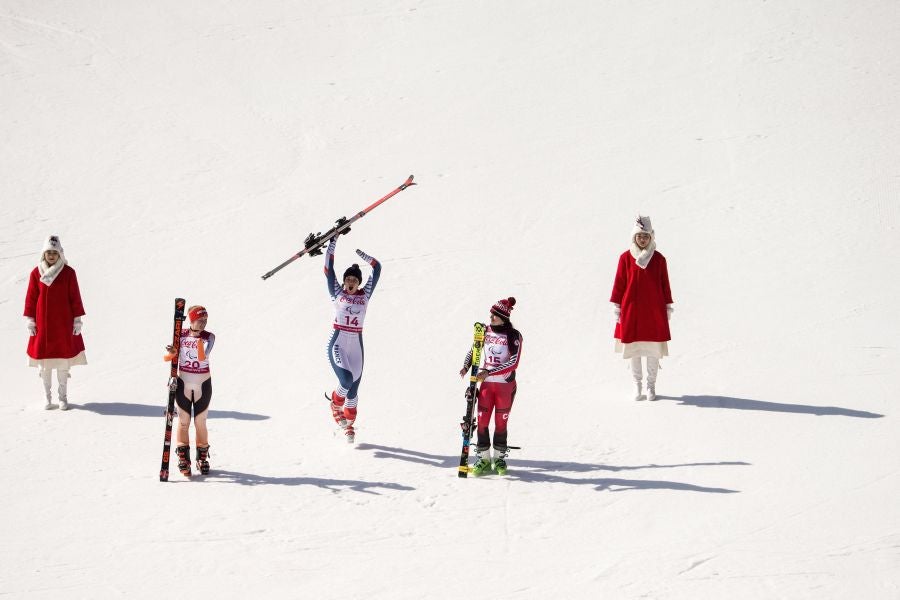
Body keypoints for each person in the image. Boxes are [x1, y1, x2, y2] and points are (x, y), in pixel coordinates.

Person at [324, 235, 381, 443]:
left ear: (358, 283)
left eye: (355, 280)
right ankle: (334, 405)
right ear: (344, 281)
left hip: (357, 344)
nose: (351, 282)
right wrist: (333, 241)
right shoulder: (336, 291)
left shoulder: (364, 295)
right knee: (346, 381)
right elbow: (328, 269)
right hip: (338, 341)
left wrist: (365, 257)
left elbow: (378, 268)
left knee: (354, 392)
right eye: (348, 279)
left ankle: (348, 426)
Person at [610, 215, 674, 401]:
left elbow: (665, 285)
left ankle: (651, 386)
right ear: (634, 237)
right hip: (631, 311)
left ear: (651, 237)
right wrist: (617, 307)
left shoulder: (659, 259)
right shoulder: (625, 258)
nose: (643, 239)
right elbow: (619, 284)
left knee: (653, 350)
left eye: (646, 236)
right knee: (634, 350)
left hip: (654, 311)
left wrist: (667, 306)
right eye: (640, 236)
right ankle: (637, 385)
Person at [458, 297, 523, 476]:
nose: (491, 317)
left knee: (501, 424)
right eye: (491, 314)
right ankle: (484, 460)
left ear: (503, 317)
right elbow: (474, 349)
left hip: (504, 386)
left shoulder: (513, 335)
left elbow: (514, 362)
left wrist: (490, 372)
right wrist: (466, 365)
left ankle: (499, 459)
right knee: (483, 423)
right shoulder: (484, 331)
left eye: (495, 315)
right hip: (486, 386)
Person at [23, 235, 87, 411]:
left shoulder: (68, 273)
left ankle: (62, 397)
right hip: (42, 327)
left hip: (63, 324)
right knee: (45, 365)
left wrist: (77, 320)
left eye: (54, 252)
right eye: (48, 252)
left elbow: (75, 297)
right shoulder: (36, 273)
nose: (51, 255)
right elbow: (31, 298)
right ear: (43, 254)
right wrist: (30, 320)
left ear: (60, 253)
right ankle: (47, 397)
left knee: (61, 363)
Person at [164, 305, 215, 476]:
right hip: (184, 382)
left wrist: (193, 341)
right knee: (184, 421)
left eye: (205, 321)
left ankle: (202, 457)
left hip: (203, 383)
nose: (203, 324)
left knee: (200, 421)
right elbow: (168, 358)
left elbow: (202, 356)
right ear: (191, 320)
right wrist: (172, 352)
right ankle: (183, 458)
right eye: (199, 320)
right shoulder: (180, 334)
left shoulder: (209, 337)